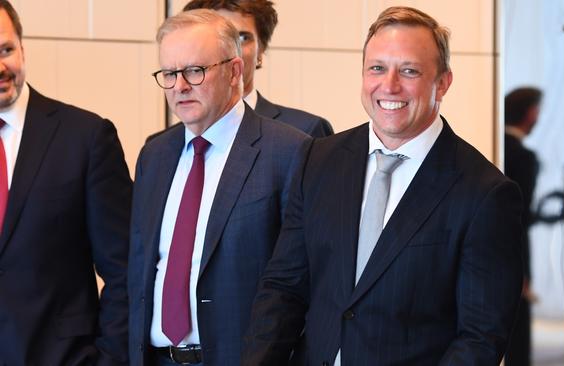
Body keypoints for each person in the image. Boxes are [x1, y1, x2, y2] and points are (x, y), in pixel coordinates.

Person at [243, 6, 524, 366]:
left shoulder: (485, 193)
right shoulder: (318, 159)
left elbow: (480, 337)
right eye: (377, 68)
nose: (389, 86)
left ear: (443, 82)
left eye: (409, 71)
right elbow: (283, 289)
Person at [127, 9, 309, 366]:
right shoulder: (154, 154)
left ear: (235, 71)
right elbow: (137, 270)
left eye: (195, 71)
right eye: (169, 73)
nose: (180, 86)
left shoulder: (289, 152)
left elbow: (302, 282)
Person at [0, 1, 132, 365]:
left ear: (22, 48)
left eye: (5, 50)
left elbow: (125, 271)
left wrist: (108, 359)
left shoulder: (86, 137)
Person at [147, 0, 333, 142]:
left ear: (261, 48)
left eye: (241, 38)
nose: (230, 48)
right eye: (217, 39)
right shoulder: (157, 148)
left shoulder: (304, 132)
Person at [503, 87, 542, 366]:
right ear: (531, 113)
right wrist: (523, 270)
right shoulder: (524, 157)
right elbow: (519, 217)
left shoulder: (493, 146)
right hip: (513, 252)